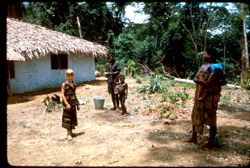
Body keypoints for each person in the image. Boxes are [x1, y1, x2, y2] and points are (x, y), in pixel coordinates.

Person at [187, 49, 227, 150]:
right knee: (196, 115)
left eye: (206, 53)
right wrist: (200, 81)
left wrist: (212, 85)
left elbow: (224, 81)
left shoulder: (216, 67)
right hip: (199, 95)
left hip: (210, 97)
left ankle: (211, 143)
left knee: (211, 119)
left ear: (210, 55)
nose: (204, 55)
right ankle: (194, 138)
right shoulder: (202, 66)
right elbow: (196, 78)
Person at [61, 69, 80, 141]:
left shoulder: (74, 85)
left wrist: (77, 104)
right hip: (67, 105)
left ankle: (71, 132)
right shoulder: (64, 85)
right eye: (68, 75)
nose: (69, 77)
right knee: (67, 119)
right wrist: (66, 103)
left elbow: (74, 95)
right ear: (65, 76)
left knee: (72, 118)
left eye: (71, 75)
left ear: (73, 76)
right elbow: (62, 95)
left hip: (73, 104)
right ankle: (68, 134)